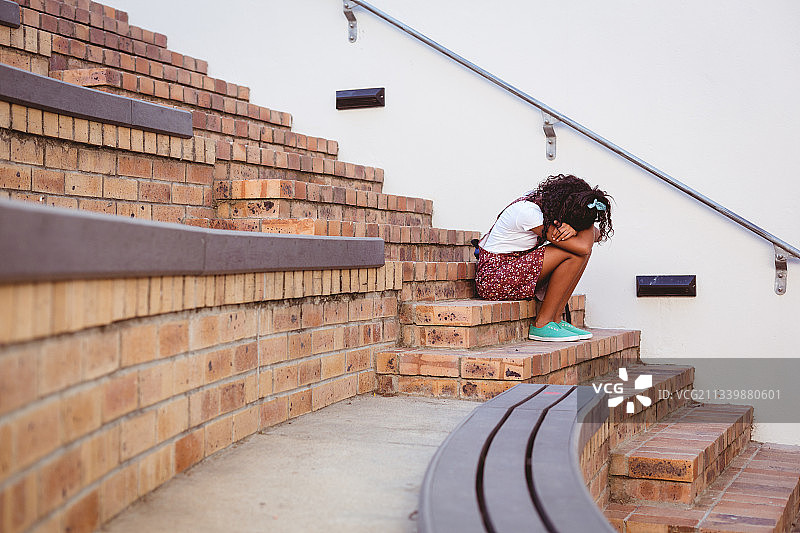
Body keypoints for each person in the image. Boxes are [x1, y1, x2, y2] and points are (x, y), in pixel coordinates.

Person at [475, 174, 613, 342]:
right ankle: (542, 324)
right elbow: (583, 246)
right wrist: (585, 219)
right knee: (573, 253)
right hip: (495, 278)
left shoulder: (545, 207)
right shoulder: (528, 212)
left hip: (514, 270)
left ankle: (555, 320)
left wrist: (578, 223)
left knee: (579, 252)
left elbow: (595, 237)